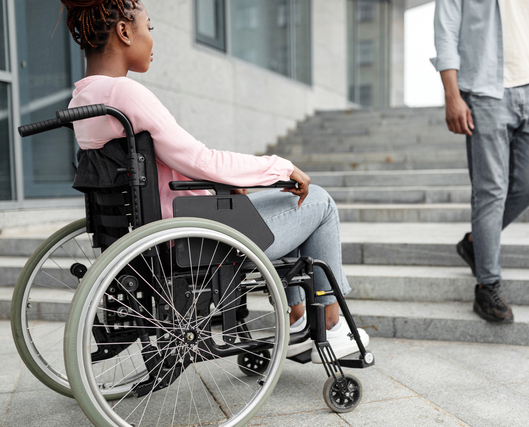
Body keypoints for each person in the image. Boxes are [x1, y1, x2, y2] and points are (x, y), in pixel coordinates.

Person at [59, 0, 368, 361]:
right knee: (318, 202)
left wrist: (233, 182)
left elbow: (167, 164)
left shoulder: (83, 98)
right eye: (149, 28)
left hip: (155, 235)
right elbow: (200, 159)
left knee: (290, 204)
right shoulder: (124, 93)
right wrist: (279, 167)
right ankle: (330, 323)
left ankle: (300, 318)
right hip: (195, 239)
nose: (152, 40)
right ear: (125, 32)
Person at [431, 0, 529, 323]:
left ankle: (475, 243)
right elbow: (446, 32)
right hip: (483, 92)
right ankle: (487, 285)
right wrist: (452, 94)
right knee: (490, 191)